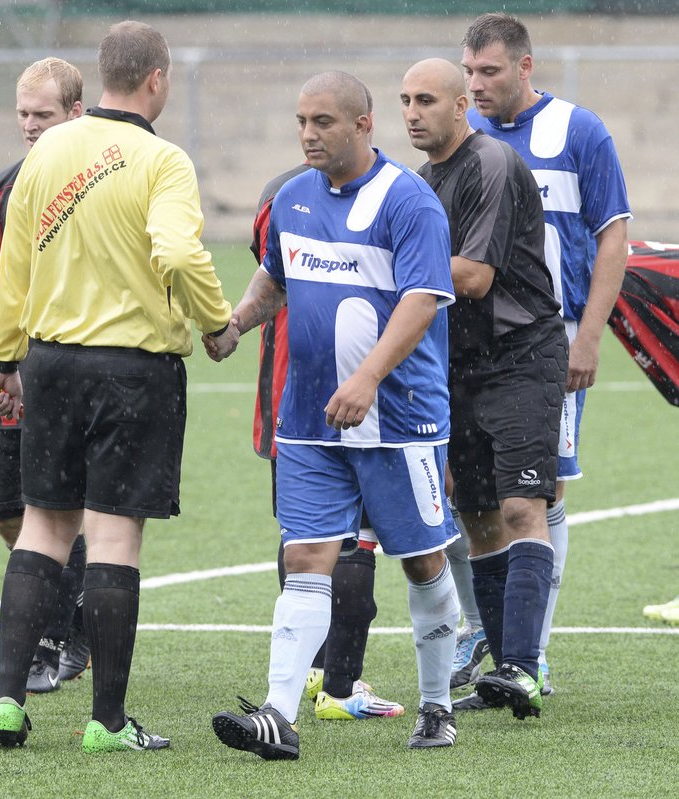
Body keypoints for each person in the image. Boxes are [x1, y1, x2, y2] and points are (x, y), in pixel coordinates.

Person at [0, 20, 235, 754]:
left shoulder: (49, 149)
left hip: (51, 362)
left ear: (101, 75)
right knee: (115, 535)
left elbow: (15, 266)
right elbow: (178, 249)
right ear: (158, 79)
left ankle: (5, 701)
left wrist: (4, 361)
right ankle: (108, 721)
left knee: (43, 528)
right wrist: (214, 321)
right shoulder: (163, 159)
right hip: (133, 370)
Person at [209, 70, 460, 759]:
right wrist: (236, 324)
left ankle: (437, 705)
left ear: (362, 124)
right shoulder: (292, 198)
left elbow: (421, 300)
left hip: (399, 419)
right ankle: (277, 714)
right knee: (306, 556)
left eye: (323, 122)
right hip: (310, 421)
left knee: (421, 562)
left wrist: (369, 377)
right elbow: (276, 276)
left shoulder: (409, 203)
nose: (308, 135)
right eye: (301, 122)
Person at [460, 12, 632, 694]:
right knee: (466, 496)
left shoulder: (578, 131)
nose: (476, 85)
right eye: (468, 72)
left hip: (548, 343)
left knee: (538, 488)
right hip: (470, 350)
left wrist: (586, 336)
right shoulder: (461, 137)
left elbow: (613, 239)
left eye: (490, 72)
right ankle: (487, 633)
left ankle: (531, 653)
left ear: (525, 68)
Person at [402, 57, 568, 720]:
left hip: (522, 355)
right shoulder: (421, 182)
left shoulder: (490, 163)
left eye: (427, 100)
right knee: (475, 522)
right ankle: (503, 671)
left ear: (460, 106)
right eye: (404, 100)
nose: (413, 112)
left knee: (523, 506)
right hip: (457, 368)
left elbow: (471, 277)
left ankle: (526, 668)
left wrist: (394, 273)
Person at [0, 57, 90, 694]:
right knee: (6, 510)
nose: (32, 126)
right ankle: (74, 615)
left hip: (71, 368)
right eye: (24, 114)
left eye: (45, 114)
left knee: (53, 507)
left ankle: (52, 636)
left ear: (76, 114)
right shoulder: (1, 188)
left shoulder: (96, 182)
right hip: (7, 372)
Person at [250, 164, 404, 723]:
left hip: (288, 385)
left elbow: (269, 272)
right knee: (353, 539)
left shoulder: (281, 192)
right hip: (342, 385)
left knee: (305, 534)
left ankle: (314, 671)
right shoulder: (392, 194)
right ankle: (340, 684)